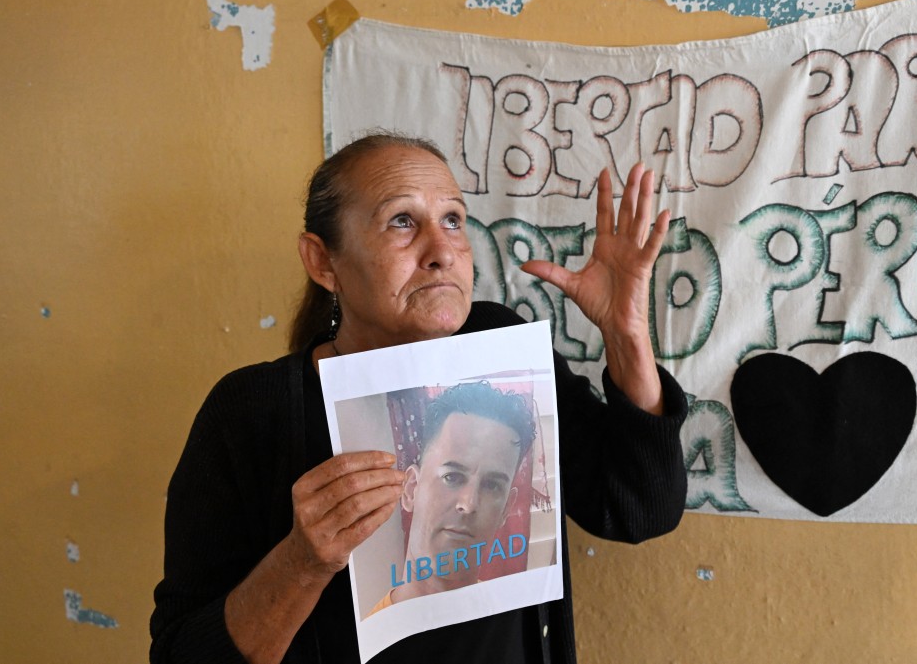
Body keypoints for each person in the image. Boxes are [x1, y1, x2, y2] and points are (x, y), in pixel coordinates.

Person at [150, 132, 688, 664]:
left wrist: (626, 336)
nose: (442, 253)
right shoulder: (250, 412)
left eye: (452, 220)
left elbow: (639, 510)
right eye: (402, 222)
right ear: (322, 262)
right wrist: (302, 563)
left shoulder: (501, 349)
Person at [369, 382, 538, 615]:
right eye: (452, 477)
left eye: (491, 485)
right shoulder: (372, 633)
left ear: (506, 508)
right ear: (411, 489)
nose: (469, 504)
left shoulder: (508, 622)